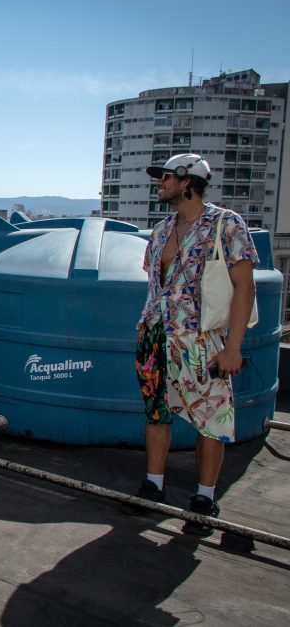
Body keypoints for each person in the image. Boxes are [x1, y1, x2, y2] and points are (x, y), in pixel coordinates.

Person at [121, 154, 258, 535]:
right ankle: (154, 486)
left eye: (164, 177)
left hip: (200, 340)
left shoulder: (226, 225)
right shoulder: (163, 229)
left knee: (211, 418)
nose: (158, 184)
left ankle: (204, 497)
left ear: (188, 182)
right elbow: (156, 285)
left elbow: (245, 288)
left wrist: (233, 347)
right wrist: (146, 330)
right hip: (155, 335)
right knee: (155, 412)